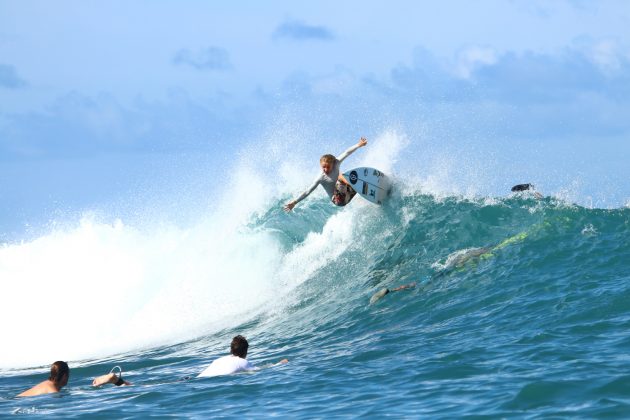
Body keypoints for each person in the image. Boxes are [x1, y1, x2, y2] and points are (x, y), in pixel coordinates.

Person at [284, 137, 368, 211]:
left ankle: (364, 194)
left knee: (354, 175)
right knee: (342, 176)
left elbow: (346, 152)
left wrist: (358, 145)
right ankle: (355, 184)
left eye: (328, 167)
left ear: (333, 163)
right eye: (323, 167)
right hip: (337, 200)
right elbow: (307, 191)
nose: (325, 169)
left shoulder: (336, 163)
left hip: (347, 195)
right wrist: (294, 202)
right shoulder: (320, 177)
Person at [198, 335, 288, 378]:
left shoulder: (219, 360)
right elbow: (260, 370)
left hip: (198, 379)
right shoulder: (242, 362)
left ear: (231, 349)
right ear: (245, 351)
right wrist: (280, 363)